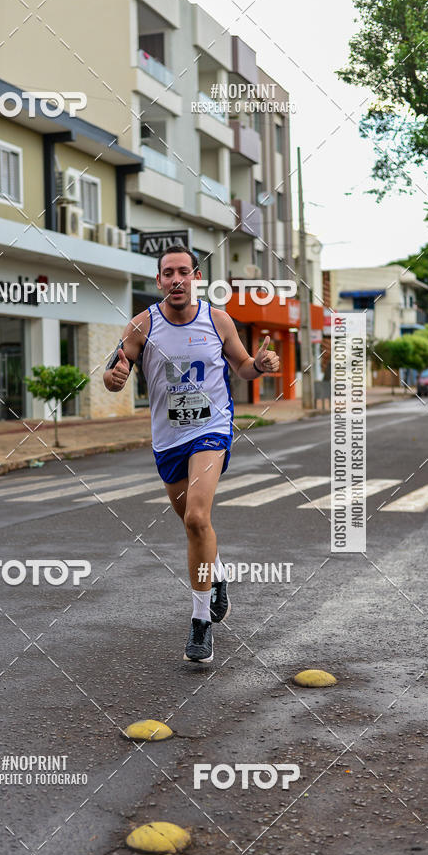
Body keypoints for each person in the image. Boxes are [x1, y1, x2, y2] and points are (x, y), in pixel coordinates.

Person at [103, 245, 280, 663]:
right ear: (159, 281)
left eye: (184, 271)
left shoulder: (217, 319)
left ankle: (201, 622)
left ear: (196, 276)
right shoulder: (141, 325)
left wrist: (261, 364)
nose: (176, 279)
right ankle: (217, 575)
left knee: (198, 518)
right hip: (168, 438)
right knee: (192, 525)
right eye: (168, 273)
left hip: (211, 429)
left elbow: (242, 367)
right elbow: (115, 376)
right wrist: (115, 377)